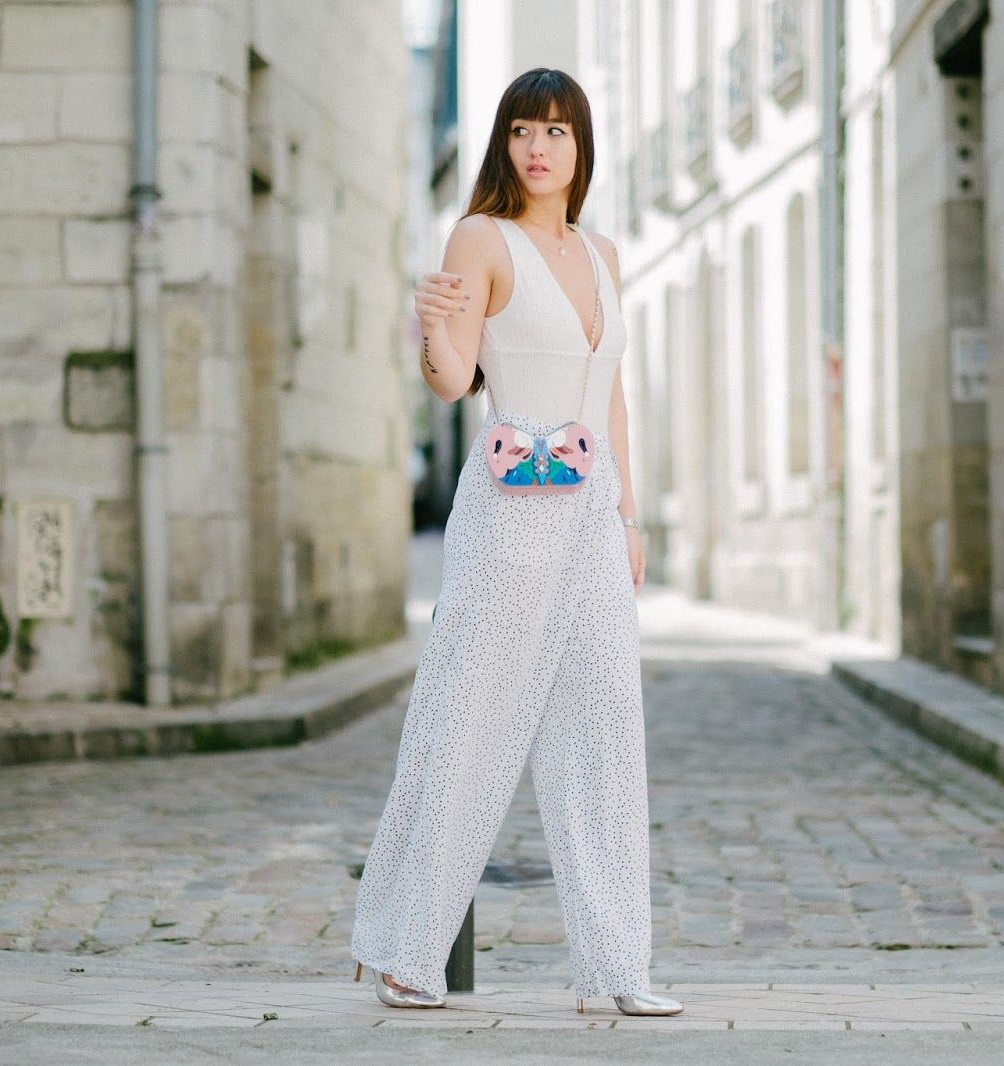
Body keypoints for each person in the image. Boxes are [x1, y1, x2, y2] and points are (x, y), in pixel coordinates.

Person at [349, 67, 681, 1018]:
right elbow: (454, 381)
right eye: (523, 130)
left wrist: (628, 517)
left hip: (593, 512)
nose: (539, 148)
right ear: (503, 143)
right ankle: (408, 952)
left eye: (557, 131)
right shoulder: (480, 238)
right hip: (508, 507)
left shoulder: (603, 252)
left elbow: (612, 395)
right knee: (467, 721)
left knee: (606, 730)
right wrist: (433, 331)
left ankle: (618, 967)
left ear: (581, 146)